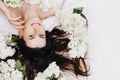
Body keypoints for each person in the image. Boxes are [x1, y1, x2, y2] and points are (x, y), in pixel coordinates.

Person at [0, 0, 89, 80]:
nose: (36, 29)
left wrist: (5, 10)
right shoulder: (51, 9)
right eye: (41, 35)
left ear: (21, 35)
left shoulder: (10, 11)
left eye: (31, 36)